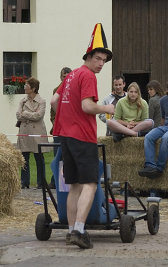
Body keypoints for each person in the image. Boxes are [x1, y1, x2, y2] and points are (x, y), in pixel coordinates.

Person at [51, 23, 115, 249]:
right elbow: (88, 106)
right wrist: (107, 109)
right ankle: (79, 229)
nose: (100, 64)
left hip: (65, 137)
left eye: (104, 61)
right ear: (88, 56)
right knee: (90, 184)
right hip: (82, 137)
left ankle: (70, 231)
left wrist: (67, 118)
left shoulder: (70, 76)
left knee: (74, 186)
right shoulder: (87, 76)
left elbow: (54, 101)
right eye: (97, 58)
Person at [17, 77, 50, 189]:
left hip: (37, 132)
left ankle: (41, 183)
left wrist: (25, 113)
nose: (25, 87)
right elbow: (18, 115)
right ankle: (24, 182)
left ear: (33, 88)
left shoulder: (42, 101)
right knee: (24, 158)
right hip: (25, 131)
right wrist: (29, 113)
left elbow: (38, 116)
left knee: (39, 158)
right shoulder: (23, 100)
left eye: (27, 85)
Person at [49, 67, 72, 188]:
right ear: (61, 77)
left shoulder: (74, 90)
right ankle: (55, 181)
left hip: (71, 129)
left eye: (68, 76)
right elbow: (52, 113)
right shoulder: (56, 90)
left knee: (67, 156)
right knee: (57, 156)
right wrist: (56, 123)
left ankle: (64, 182)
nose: (66, 78)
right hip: (59, 128)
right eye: (64, 76)